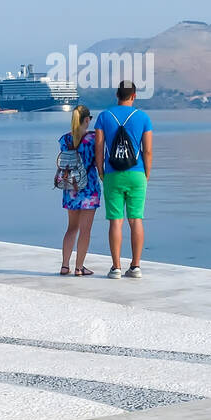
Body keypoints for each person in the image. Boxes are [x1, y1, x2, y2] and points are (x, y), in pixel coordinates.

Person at [94, 81, 153, 278]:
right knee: (136, 219)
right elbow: (148, 150)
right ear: (134, 96)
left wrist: (101, 171)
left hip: (112, 174)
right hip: (137, 174)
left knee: (115, 221)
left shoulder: (104, 116)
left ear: (116, 95)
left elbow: (99, 147)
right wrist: (147, 173)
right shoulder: (143, 118)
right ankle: (135, 266)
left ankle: (116, 267)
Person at [57, 104, 100, 275]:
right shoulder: (93, 139)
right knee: (85, 230)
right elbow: (98, 162)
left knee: (71, 227)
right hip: (89, 188)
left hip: (70, 187)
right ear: (87, 120)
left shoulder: (64, 140)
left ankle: (65, 265)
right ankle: (79, 267)